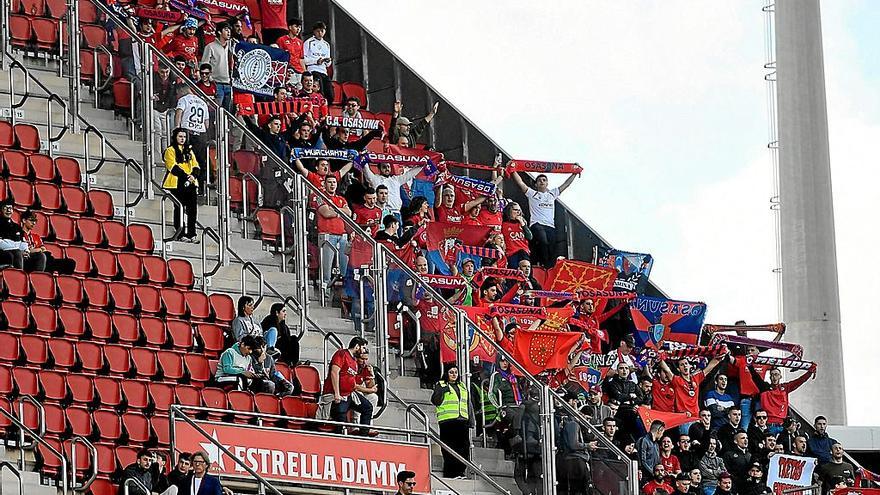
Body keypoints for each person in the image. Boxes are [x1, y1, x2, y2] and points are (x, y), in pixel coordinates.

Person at [510, 170, 578, 268]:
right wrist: (513, 170)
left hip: (550, 226)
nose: (542, 182)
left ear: (547, 183)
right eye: (539, 180)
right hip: (536, 224)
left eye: (544, 180)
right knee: (543, 241)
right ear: (536, 184)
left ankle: (547, 268)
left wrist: (574, 173)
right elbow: (520, 183)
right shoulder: (532, 194)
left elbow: (566, 184)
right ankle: (539, 263)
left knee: (551, 248)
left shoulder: (552, 194)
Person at [659, 353, 725, 433]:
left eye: (686, 364)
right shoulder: (677, 380)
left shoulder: (696, 378)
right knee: (685, 441)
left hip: (696, 417)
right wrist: (659, 356)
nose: (685, 366)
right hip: (684, 418)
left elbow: (708, 368)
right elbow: (667, 370)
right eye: (682, 365)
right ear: (679, 369)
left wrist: (719, 358)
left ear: (690, 366)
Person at [323, 337, 375, 435]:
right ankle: (339, 440)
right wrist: (337, 394)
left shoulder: (354, 361)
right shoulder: (341, 354)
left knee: (367, 407)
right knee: (340, 418)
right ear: (357, 346)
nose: (364, 350)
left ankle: (363, 436)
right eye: (363, 347)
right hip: (339, 395)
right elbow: (334, 373)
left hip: (350, 394)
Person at [749, 364, 816, 432]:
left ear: (780, 376)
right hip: (769, 424)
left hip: (782, 425)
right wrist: (749, 365)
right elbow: (755, 377)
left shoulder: (785, 388)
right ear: (770, 377)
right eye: (772, 375)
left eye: (776, 374)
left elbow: (799, 381)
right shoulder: (764, 387)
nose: (774, 377)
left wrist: (809, 372)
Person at [431, 364, 472, 479]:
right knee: (449, 448)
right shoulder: (441, 384)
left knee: (464, 448)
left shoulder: (463, 386)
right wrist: (442, 391)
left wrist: (470, 420)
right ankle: (450, 473)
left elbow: (468, 404)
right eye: (451, 372)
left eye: (455, 372)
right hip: (447, 421)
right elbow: (435, 400)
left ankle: (461, 472)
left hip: (462, 421)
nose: (454, 374)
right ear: (447, 374)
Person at [162, 128, 200, 243]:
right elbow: (172, 167)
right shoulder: (170, 150)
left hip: (191, 183)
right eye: (180, 136)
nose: (182, 139)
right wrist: (186, 176)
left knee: (192, 210)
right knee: (179, 208)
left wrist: (193, 176)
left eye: (184, 137)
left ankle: (192, 234)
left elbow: (196, 165)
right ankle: (180, 233)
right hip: (177, 183)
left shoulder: (189, 150)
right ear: (175, 137)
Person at [316, 175, 352, 287]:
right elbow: (326, 213)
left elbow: (349, 212)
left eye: (334, 182)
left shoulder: (342, 199)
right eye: (330, 182)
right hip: (327, 235)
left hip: (342, 236)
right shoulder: (320, 197)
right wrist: (341, 212)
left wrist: (334, 210)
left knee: (344, 268)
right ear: (325, 184)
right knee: (326, 270)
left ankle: (345, 293)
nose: (332, 185)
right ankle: (325, 294)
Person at [174, 85, 210, 174]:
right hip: (201, 134)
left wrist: (177, 129)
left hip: (188, 132)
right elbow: (207, 123)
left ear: (182, 91)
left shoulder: (183, 99)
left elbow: (179, 113)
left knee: (186, 159)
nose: (177, 95)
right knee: (200, 161)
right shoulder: (202, 102)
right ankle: (201, 183)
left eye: (178, 93)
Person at [200, 22, 233, 110]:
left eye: (229, 30)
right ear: (219, 32)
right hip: (216, 83)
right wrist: (210, 80)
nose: (229, 32)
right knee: (215, 111)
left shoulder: (231, 47)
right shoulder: (210, 47)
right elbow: (204, 65)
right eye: (226, 30)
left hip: (229, 84)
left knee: (228, 112)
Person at [303, 22, 333, 102]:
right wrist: (316, 61)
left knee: (330, 95)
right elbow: (304, 60)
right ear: (314, 31)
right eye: (318, 31)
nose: (320, 33)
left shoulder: (326, 44)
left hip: (324, 71)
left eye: (322, 31)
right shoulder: (308, 42)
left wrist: (328, 61)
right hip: (313, 70)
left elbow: (328, 64)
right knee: (320, 92)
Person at [352, 349, 379, 424]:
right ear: (356, 358)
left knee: (374, 397)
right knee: (358, 396)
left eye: (366, 359)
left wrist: (371, 375)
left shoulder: (366, 367)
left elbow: (370, 386)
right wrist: (370, 390)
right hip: (349, 392)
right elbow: (355, 386)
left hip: (360, 392)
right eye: (362, 359)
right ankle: (355, 425)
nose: (364, 362)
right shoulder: (352, 365)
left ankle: (368, 424)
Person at [277, 18, 305, 87]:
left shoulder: (300, 42)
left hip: (299, 71)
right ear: (290, 27)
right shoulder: (281, 40)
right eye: (296, 26)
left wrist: (305, 71)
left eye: (299, 27)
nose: (298, 29)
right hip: (288, 70)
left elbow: (301, 58)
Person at [0, 201, 26, 268]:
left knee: (40, 256)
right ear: (1, 210)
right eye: (5, 208)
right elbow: (1, 243)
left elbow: (23, 242)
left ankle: (36, 277)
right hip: (2, 252)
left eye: (10, 208)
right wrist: (18, 248)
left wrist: (25, 250)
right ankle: (19, 277)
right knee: (16, 253)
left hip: (18, 252)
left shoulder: (17, 226)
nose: (8, 210)